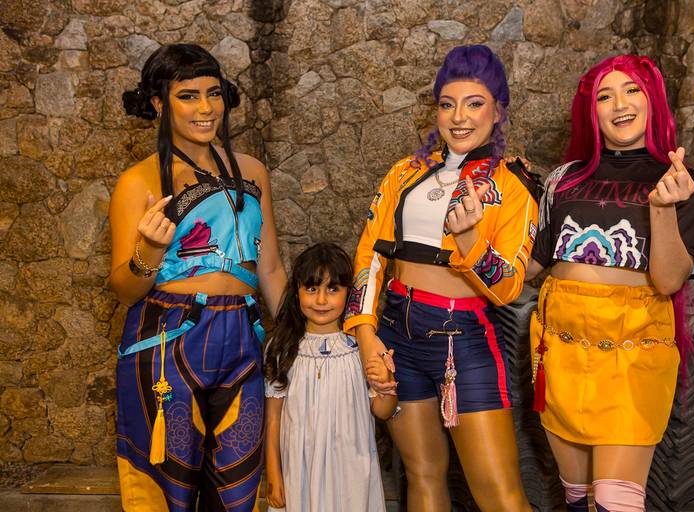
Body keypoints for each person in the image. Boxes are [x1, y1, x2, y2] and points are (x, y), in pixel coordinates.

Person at [345, 44, 540, 512]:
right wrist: (366, 334)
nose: (459, 117)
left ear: (498, 111)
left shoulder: (514, 186)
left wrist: (470, 240)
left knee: (499, 494)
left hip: (463, 340)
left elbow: (508, 287)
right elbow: (371, 255)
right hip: (396, 334)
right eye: (448, 104)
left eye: (474, 104)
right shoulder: (404, 172)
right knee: (422, 476)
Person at [525, 54, 694, 512]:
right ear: (591, 112)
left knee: (613, 501)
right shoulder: (563, 180)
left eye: (632, 91)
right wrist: (474, 234)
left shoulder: (682, 181)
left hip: (633, 355)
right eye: (604, 96)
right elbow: (527, 268)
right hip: (560, 351)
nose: (619, 104)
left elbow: (668, 281)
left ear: (653, 101)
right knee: (577, 498)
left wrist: (663, 208)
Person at [110, 44, 286, 511]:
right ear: (158, 103)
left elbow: (269, 267)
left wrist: (300, 335)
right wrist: (149, 251)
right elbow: (125, 289)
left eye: (213, 93)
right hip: (168, 337)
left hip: (243, 335)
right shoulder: (139, 182)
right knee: (167, 489)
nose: (205, 108)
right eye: (188, 96)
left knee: (237, 487)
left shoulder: (253, 172)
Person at [262, 242, 397, 511]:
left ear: (349, 293)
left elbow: (383, 411)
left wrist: (386, 383)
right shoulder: (282, 347)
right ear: (297, 291)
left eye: (333, 289)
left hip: (352, 467)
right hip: (299, 466)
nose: (321, 300)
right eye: (312, 289)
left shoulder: (362, 347)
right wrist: (274, 473)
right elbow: (273, 417)